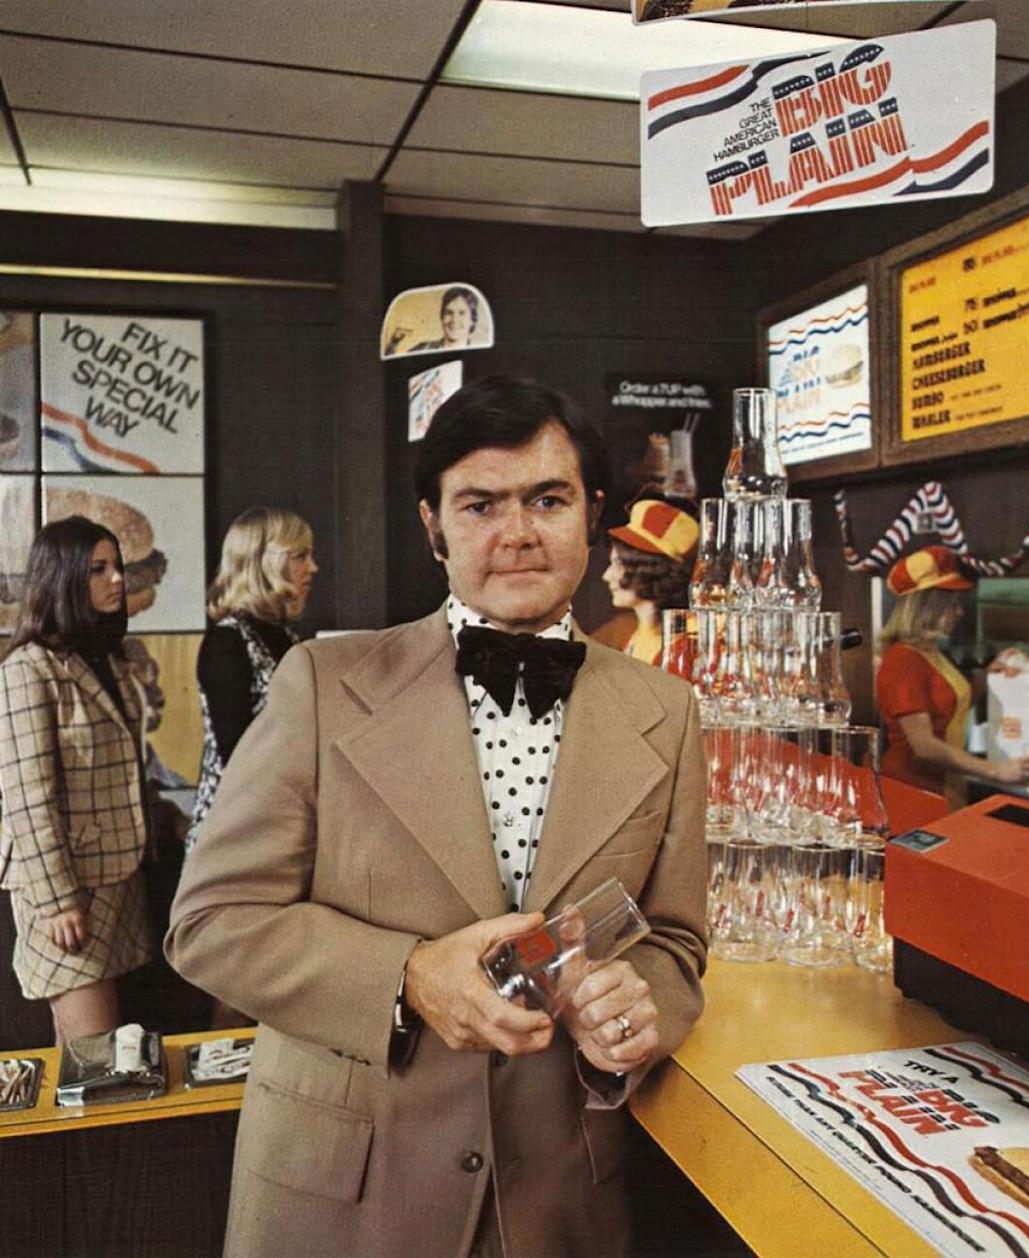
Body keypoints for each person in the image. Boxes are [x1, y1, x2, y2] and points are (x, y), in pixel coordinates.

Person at [166, 375, 707, 1258]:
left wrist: (641, 1003)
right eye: (481, 505)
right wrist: (408, 977)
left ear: (592, 511)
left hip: (560, 1195)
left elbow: (677, 942)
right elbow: (209, 923)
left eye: (548, 499)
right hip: (345, 1197)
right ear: (433, 526)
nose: (519, 533)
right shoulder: (322, 688)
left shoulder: (669, 710)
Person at [0, 516, 153, 1044]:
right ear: (64, 577)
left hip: (116, 879)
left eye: (118, 567)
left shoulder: (108, 659)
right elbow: (26, 799)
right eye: (98, 569)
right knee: (98, 1051)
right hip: (68, 890)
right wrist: (56, 899)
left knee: (93, 1063)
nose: (116, 580)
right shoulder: (27, 670)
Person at [184, 506, 317, 851]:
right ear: (265, 563)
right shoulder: (228, 643)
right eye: (300, 556)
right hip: (235, 834)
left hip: (275, 824)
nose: (313, 568)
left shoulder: (288, 638)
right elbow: (240, 755)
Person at [876, 546, 1029, 808]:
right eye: (952, 605)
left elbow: (948, 705)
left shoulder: (931, 653)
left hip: (945, 785)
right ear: (929, 606)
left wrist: (989, 675)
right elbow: (924, 745)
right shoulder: (903, 659)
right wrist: (996, 770)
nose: (959, 612)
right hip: (912, 791)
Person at [600, 497, 699, 665]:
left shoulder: (685, 644)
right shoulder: (636, 635)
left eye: (618, 563)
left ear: (650, 569)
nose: (606, 576)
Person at [386, 286, 480, 356]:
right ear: (442, 317)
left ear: (473, 320)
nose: (454, 319)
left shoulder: (478, 356)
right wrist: (393, 345)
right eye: (449, 312)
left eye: (462, 313)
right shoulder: (422, 349)